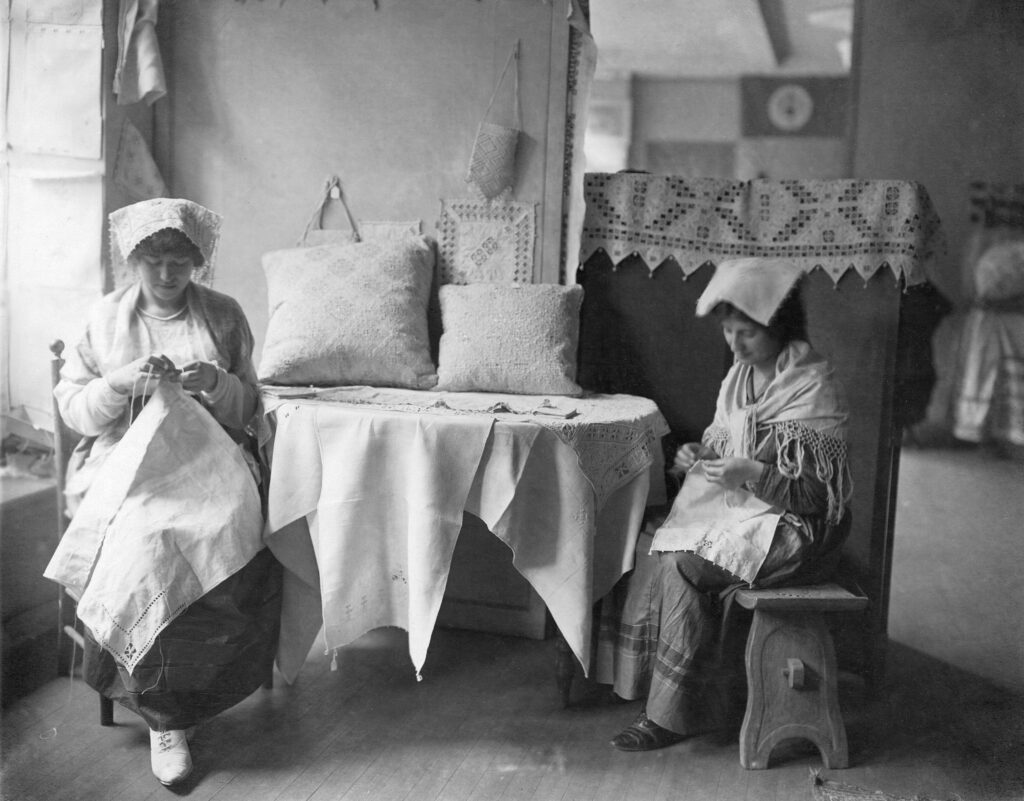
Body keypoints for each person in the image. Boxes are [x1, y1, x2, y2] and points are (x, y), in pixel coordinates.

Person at [49, 198, 281, 786]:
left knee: (226, 522)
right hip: (125, 467)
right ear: (132, 261)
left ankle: (206, 687)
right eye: (153, 261)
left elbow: (253, 406)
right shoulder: (104, 319)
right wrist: (120, 381)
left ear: (197, 262)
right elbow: (76, 409)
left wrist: (219, 384)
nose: (167, 274)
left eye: (180, 261)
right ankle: (164, 718)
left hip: (209, 461)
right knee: (146, 536)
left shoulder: (224, 316)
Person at [598, 257, 853, 752]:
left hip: (802, 529)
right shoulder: (739, 379)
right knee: (651, 541)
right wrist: (699, 456)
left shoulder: (812, 385)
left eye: (749, 334)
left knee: (686, 563)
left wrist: (750, 474)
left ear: (780, 328)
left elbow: (820, 499)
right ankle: (662, 693)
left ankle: (671, 716)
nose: (736, 346)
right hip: (752, 512)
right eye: (729, 331)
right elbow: (724, 450)